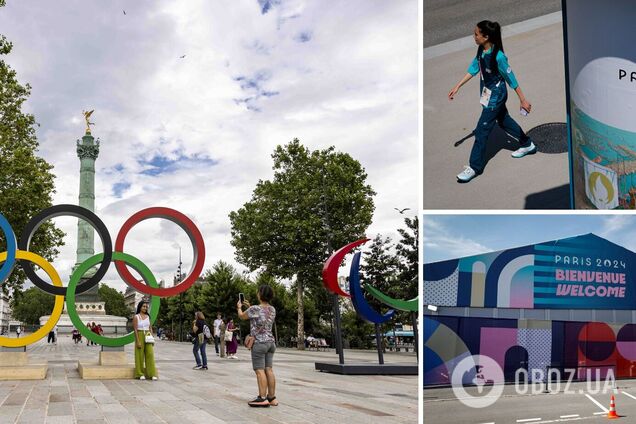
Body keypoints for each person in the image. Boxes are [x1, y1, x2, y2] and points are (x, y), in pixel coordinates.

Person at [448, 20, 535, 183]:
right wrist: (457, 86)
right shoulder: (481, 50)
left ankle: (474, 167)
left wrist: (523, 100)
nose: (474, 36)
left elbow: (511, 78)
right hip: (488, 94)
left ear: (486, 36)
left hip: (496, 96)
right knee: (503, 120)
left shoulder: (499, 57)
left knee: (482, 130)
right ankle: (527, 144)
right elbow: (474, 68)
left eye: (476, 34)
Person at [237, 285, 278, 407]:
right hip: (271, 343)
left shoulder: (255, 309)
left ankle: (262, 398)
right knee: (269, 369)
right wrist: (249, 307)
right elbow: (261, 317)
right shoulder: (272, 309)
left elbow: (242, 316)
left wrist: (239, 308)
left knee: (259, 371)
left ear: (260, 294)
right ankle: (272, 398)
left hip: (259, 344)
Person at [133, 300, 158, 380]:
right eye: (144, 306)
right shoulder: (136, 317)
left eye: (146, 307)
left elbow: (150, 328)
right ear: (140, 307)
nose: (145, 308)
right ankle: (140, 374)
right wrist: (138, 341)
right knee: (139, 356)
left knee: (150, 354)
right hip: (140, 335)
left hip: (147, 335)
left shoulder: (148, 317)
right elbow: (135, 329)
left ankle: (152, 374)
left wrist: (152, 338)